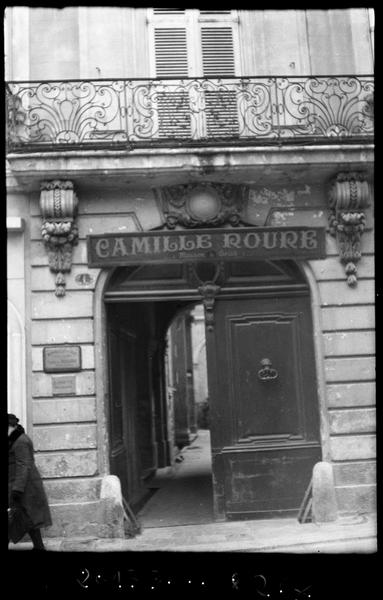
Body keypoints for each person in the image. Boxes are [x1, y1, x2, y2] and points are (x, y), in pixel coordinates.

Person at [8, 413, 52, 550]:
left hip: (25, 487)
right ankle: (39, 547)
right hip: (22, 486)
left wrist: (17, 490)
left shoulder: (21, 441)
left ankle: (39, 547)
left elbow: (23, 466)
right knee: (27, 518)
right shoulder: (14, 440)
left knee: (21, 517)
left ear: (12, 427)